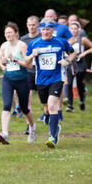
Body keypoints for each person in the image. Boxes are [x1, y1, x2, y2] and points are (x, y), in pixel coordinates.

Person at [24, 18, 76, 148]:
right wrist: (32, 56)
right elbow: (26, 62)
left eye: (48, 29)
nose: (46, 32)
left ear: (53, 30)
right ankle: (52, 123)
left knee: (53, 105)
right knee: (46, 108)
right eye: (43, 29)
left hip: (57, 78)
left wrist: (67, 61)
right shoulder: (34, 43)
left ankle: (52, 137)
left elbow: (73, 53)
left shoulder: (60, 42)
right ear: (40, 29)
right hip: (41, 80)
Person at [0, 22, 36, 144]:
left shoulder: (22, 46)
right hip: (8, 79)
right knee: (7, 105)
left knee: (25, 108)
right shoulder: (4, 46)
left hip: (22, 80)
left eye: (10, 32)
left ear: (16, 34)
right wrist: (3, 65)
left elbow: (29, 65)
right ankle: (5, 133)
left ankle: (32, 127)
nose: (8, 35)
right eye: (6, 33)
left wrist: (15, 60)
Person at [43, 9, 73, 122]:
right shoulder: (41, 28)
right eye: (47, 16)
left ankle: (58, 110)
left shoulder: (62, 27)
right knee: (45, 88)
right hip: (44, 63)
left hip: (59, 61)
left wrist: (66, 50)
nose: (49, 17)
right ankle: (47, 112)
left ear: (55, 16)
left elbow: (72, 39)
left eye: (51, 16)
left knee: (59, 84)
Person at [20, 15, 41, 134]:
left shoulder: (43, 37)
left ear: (38, 25)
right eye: (29, 25)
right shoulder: (23, 39)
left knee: (46, 101)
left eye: (34, 25)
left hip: (42, 72)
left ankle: (47, 114)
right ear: (27, 25)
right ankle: (29, 125)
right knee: (27, 100)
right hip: (27, 72)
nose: (32, 27)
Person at [65, 21, 92, 111]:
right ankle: (70, 105)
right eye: (71, 29)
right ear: (69, 30)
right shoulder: (67, 40)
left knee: (80, 84)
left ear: (79, 29)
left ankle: (81, 101)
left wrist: (84, 53)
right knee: (69, 83)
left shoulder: (83, 39)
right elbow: (63, 51)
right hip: (70, 63)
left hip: (80, 63)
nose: (73, 30)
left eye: (75, 29)